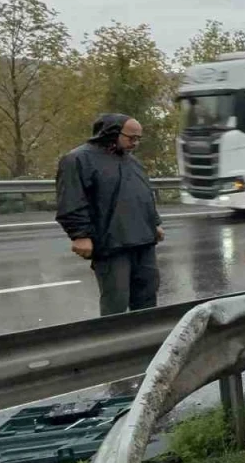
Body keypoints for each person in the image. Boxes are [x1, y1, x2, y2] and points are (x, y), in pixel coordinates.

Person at [55, 113, 164, 316]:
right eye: (131, 137)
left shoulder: (132, 161)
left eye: (139, 138)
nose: (136, 143)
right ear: (111, 133)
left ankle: (146, 345)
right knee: (116, 302)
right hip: (111, 244)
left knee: (148, 298)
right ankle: (116, 346)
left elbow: (143, 194)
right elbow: (71, 199)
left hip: (143, 241)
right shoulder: (78, 159)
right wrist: (80, 235)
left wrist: (154, 223)